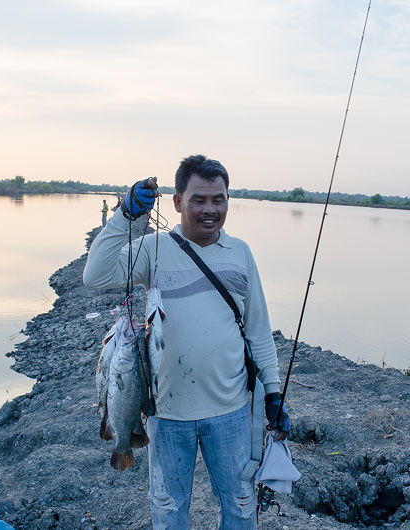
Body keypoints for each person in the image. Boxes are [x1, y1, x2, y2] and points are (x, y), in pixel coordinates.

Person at [83, 154, 290, 529]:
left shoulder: (241, 254)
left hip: (230, 413)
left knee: (242, 508)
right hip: (166, 415)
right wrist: (126, 216)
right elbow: (95, 276)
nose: (210, 209)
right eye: (199, 199)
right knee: (168, 510)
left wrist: (273, 393)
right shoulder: (153, 249)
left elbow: (259, 330)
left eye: (219, 199)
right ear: (177, 202)